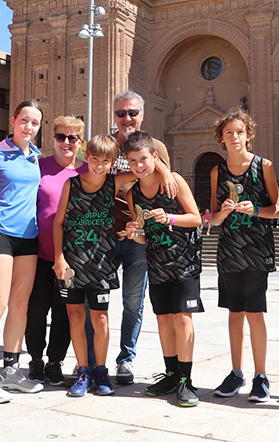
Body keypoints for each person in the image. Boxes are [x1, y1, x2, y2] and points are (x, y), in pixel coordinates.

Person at [53, 135, 138, 397]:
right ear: (85, 157)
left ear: (113, 162)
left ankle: (101, 370)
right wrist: (59, 258)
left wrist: (167, 174)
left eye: (105, 161)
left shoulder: (114, 183)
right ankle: (82, 369)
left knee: (100, 318)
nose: (99, 165)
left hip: (101, 263)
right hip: (73, 263)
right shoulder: (72, 184)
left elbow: (145, 166)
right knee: (75, 317)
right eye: (94, 159)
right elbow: (58, 224)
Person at [124, 131, 203, 407]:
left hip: (184, 262)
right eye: (132, 161)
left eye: (143, 159)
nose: (139, 165)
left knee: (183, 319)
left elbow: (196, 219)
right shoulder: (133, 192)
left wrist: (169, 216)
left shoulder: (174, 181)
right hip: (156, 264)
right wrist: (135, 233)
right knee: (163, 320)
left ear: (154, 158)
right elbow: (144, 234)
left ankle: (186, 379)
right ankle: (170, 375)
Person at [209, 109, 279, 402]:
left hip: (256, 249)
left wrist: (256, 210)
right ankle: (236, 372)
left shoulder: (263, 165)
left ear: (248, 136)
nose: (235, 137)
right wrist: (224, 212)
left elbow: (277, 209)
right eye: (229, 133)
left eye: (239, 131)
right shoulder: (217, 171)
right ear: (222, 139)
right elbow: (213, 219)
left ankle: (261, 376)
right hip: (229, 250)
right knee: (234, 313)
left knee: (255, 313)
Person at [0, 100, 45, 399]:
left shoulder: (37, 158)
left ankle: (12, 372)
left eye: (35, 123)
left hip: (29, 237)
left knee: (20, 306)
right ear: (13, 121)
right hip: (0, 234)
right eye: (24, 120)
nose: (29, 127)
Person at [109, 91, 176, 385]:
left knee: (133, 302)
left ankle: (126, 360)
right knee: (93, 301)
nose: (127, 119)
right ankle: (90, 361)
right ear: (114, 116)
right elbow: (93, 180)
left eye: (132, 113)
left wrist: (162, 168)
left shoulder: (156, 146)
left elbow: (167, 185)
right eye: (121, 113)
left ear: (142, 114)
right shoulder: (105, 145)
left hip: (139, 239)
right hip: (106, 236)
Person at [25, 116, 87, 387]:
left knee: (64, 314)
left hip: (72, 259)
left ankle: (54, 363)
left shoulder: (87, 172)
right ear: (53, 139)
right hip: (38, 255)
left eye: (72, 137)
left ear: (80, 142)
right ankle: (36, 360)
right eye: (61, 137)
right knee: (36, 311)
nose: (66, 142)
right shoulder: (39, 167)